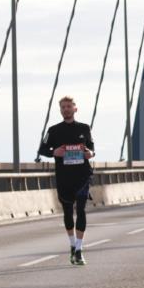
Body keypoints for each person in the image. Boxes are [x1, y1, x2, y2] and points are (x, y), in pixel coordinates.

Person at [37, 96, 95, 266]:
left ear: (75, 109)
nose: (66, 109)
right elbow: (42, 149)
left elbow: (91, 148)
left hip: (82, 175)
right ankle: (72, 244)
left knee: (82, 210)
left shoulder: (84, 128)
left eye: (69, 106)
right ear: (60, 110)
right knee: (68, 212)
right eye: (63, 107)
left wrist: (90, 153)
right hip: (64, 176)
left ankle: (79, 249)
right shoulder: (54, 130)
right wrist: (54, 152)